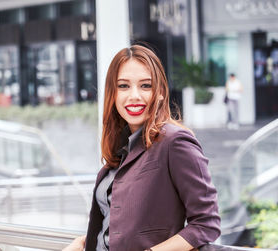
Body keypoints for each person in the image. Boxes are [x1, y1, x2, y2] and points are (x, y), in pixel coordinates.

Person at [63, 44, 220, 251]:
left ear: (161, 92)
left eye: (146, 86)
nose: (134, 96)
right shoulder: (121, 147)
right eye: (123, 86)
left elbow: (206, 224)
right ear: (113, 94)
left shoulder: (175, 142)